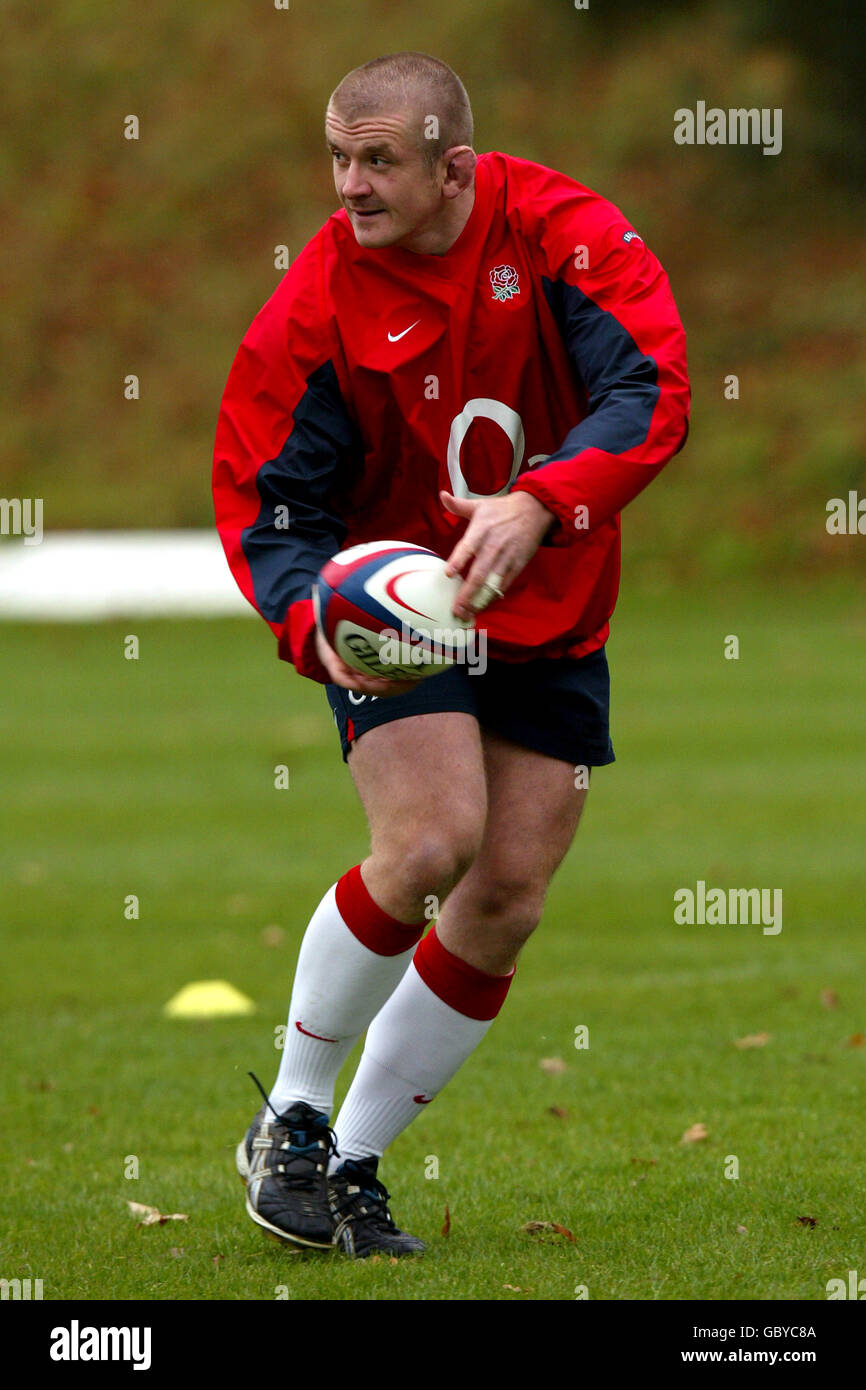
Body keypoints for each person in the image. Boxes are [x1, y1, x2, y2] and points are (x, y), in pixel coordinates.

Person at [213, 51, 689, 1259]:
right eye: (338, 158)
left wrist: (545, 499)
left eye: (378, 161)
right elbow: (268, 498)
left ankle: (351, 1165)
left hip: (549, 596)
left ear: (453, 168)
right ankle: (293, 1118)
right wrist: (309, 621)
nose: (351, 186)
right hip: (400, 610)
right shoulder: (315, 303)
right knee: (429, 842)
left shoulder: (565, 237)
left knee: (507, 894)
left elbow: (648, 390)